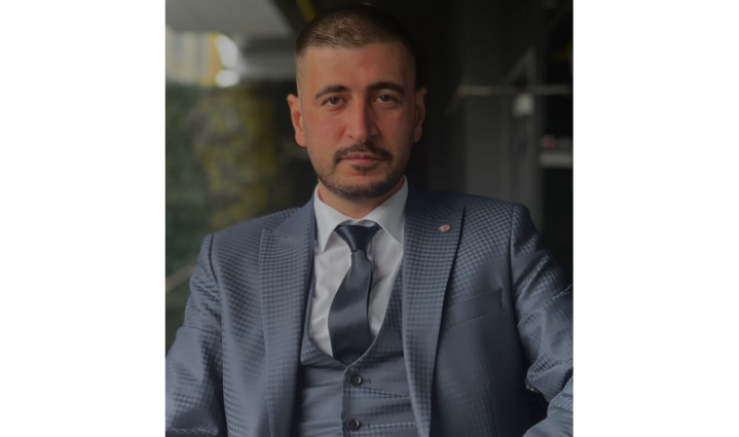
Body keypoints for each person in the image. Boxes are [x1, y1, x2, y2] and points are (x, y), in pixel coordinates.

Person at [166, 4, 572, 437]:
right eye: (334, 100)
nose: (361, 129)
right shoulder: (228, 261)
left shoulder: (498, 236)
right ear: (300, 120)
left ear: (417, 115)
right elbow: (181, 423)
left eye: (384, 98)